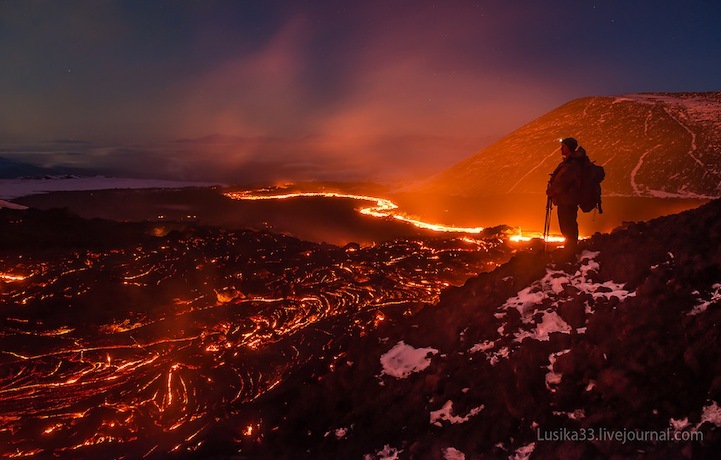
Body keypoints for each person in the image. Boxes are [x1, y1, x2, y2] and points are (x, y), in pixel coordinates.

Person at [546, 137, 587, 256]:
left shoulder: (571, 164)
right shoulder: (571, 162)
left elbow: (563, 181)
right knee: (568, 224)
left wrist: (552, 191)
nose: (561, 149)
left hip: (567, 201)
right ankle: (570, 249)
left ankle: (570, 251)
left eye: (563, 146)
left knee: (567, 225)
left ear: (568, 147)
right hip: (567, 200)